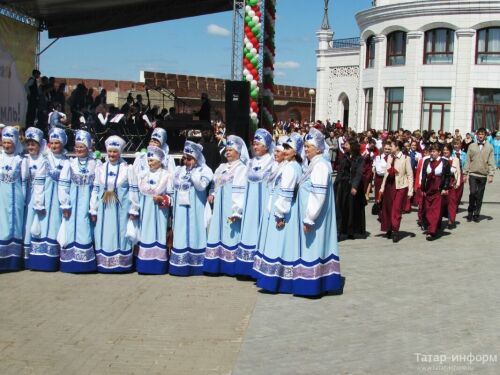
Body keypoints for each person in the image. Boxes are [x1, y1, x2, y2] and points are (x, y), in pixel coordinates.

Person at [252, 133, 304, 293]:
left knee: (279, 246)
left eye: (289, 148)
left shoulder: (291, 168)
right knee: (280, 246)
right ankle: (278, 279)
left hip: (283, 211)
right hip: (281, 208)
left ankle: (276, 281)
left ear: (296, 151)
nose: (286, 151)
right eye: (285, 148)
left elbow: (286, 192)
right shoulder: (289, 166)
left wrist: (279, 213)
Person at [296, 128, 342, 296]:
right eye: (305, 146)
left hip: (315, 219)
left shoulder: (321, 165)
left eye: (309, 146)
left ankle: (312, 285)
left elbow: (318, 194)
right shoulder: (314, 163)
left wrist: (309, 218)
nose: (306, 149)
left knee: (314, 249)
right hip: (314, 218)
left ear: (319, 148)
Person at [90, 136, 139, 273]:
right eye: (110, 151)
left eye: (115, 152)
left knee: (120, 233)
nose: (112, 154)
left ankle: (121, 264)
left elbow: (133, 190)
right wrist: (93, 208)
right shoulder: (100, 168)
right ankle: (103, 263)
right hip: (103, 211)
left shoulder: (127, 168)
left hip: (121, 211)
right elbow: (95, 189)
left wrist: (133, 208)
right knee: (103, 233)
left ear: (120, 152)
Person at [203, 135, 248, 276]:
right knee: (218, 231)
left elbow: (240, 190)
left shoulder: (241, 168)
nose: (227, 152)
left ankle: (230, 265)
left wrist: (237, 210)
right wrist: (213, 194)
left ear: (238, 152)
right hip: (219, 208)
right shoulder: (222, 167)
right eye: (227, 150)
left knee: (230, 232)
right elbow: (216, 185)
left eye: (231, 150)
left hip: (231, 207)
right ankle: (216, 264)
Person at [170, 141, 213, 276]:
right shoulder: (179, 170)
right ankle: (180, 266)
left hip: (196, 209)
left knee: (196, 233)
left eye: (189, 159)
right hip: (181, 211)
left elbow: (201, 186)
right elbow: (173, 188)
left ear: (196, 158)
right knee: (181, 234)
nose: (186, 161)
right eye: (184, 158)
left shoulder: (204, 170)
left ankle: (196, 265)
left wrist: (193, 172)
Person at [58, 130, 98, 273]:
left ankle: (84, 264)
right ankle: (69, 262)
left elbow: (96, 188)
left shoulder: (95, 164)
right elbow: (63, 185)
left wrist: (93, 207)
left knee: (85, 230)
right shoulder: (70, 164)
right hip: (72, 206)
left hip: (86, 205)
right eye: (77, 147)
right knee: (70, 230)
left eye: (82, 147)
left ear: (88, 148)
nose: (79, 149)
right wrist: (65, 204)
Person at [28, 128, 68, 271]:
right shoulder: (44, 159)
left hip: (58, 202)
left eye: (57, 143)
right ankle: (40, 261)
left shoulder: (66, 160)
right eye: (52, 143)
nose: (54, 146)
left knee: (55, 227)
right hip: (45, 201)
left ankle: (53, 261)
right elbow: (38, 182)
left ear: (62, 144)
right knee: (43, 229)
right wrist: (38, 202)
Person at [236, 129, 274, 277]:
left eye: (258, 144)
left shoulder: (271, 163)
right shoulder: (250, 162)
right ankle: (245, 268)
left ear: (266, 146)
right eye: (254, 144)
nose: (255, 147)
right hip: (250, 205)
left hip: (263, 204)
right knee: (249, 231)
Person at [135, 146, 172, 275]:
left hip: (159, 212)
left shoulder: (167, 175)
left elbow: (171, 195)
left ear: (160, 161)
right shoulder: (142, 174)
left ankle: (158, 265)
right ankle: (144, 265)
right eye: (149, 160)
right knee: (145, 234)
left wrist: (162, 198)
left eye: (152, 160)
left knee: (158, 234)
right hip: (145, 210)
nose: (150, 163)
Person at [0, 126, 27, 271]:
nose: (6, 145)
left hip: (16, 199)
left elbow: (24, 182)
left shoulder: (20, 160)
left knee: (15, 226)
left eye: (9, 142)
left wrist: (22, 200)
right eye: (4, 142)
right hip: (1, 198)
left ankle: (12, 261)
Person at [379, 140, 414, 243]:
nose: (390, 148)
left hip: (400, 186)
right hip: (390, 185)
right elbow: (386, 173)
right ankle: (389, 228)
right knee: (388, 208)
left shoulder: (406, 158)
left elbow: (410, 175)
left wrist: (410, 190)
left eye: (392, 146)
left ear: (397, 147)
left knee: (396, 209)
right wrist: (382, 188)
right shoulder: (390, 157)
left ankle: (395, 231)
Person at [23, 127, 48, 268]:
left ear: (39, 145)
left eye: (34, 144)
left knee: (32, 223)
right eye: (29, 144)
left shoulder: (42, 160)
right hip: (25, 194)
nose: (30, 147)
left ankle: (32, 254)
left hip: (37, 196)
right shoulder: (24, 159)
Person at [334, 138, 366, 239]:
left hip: (352, 186)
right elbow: (340, 172)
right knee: (340, 207)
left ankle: (351, 230)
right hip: (342, 186)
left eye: (347, 144)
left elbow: (359, 173)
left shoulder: (359, 158)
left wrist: (355, 186)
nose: (344, 145)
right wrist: (335, 184)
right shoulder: (344, 156)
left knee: (352, 209)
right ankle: (339, 230)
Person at [463, 128, 495, 222]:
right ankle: (470, 212)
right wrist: (465, 173)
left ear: (485, 135)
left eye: (482, 134)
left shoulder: (489, 147)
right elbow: (467, 160)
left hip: (483, 175)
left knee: (479, 195)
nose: (480, 136)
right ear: (476, 135)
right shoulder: (472, 146)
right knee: (473, 193)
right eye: (479, 134)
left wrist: (491, 174)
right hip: (473, 173)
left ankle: (476, 214)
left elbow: (491, 161)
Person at [420, 144, 451, 240]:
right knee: (428, 209)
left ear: (439, 152)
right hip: (428, 188)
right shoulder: (426, 161)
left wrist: (445, 188)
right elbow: (424, 175)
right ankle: (431, 225)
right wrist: (422, 188)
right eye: (431, 151)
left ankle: (431, 231)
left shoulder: (444, 162)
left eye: (434, 151)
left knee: (436, 210)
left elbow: (447, 176)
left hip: (438, 188)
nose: (432, 153)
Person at [442, 144, 461, 229]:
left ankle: (451, 220)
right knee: (441, 203)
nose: (445, 151)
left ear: (451, 151)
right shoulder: (440, 160)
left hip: (452, 183)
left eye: (447, 150)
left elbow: (458, 172)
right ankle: (438, 220)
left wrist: (458, 183)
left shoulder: (455, 159)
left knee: (452, 202)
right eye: (444, 150)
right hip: (442, 184)